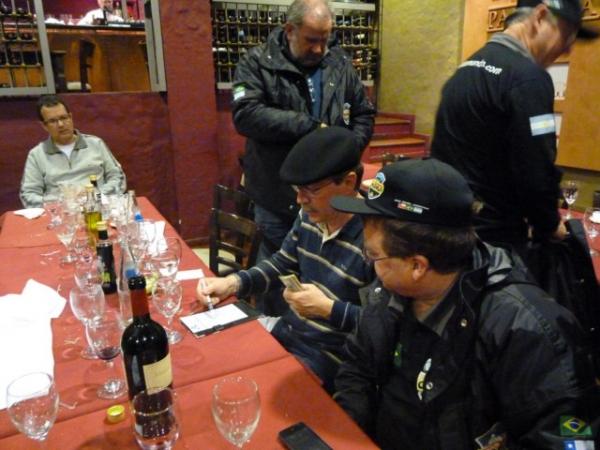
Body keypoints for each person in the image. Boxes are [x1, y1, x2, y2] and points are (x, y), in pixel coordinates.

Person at [330, 158, 600, 449]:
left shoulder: (528, 331)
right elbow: (357, 368)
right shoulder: (390, 292)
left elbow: (570, 440)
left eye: (373, 256)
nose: (370, 264)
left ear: (418, 266)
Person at [197, 127, 373, 393]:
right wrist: (232, 283)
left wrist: (328, 309)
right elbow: (282, 263)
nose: (300, 200)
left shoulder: (376, 240)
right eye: (297, 189)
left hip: (329, 359)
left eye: (311, 190)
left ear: (349, 183)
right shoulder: (311, 216)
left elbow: (383, 326)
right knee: (215, 363)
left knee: (249, 396)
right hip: (288, 331)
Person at [430, 0, 598, 254]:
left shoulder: (464, 70)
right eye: (566, 36)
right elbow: (535, 169)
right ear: (540, 16)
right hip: (495, 241)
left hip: (449, 227)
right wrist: (549, 224)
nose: (567, 49)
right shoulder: (528, 78)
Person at [231, 0, 375, 273]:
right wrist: (310, 127)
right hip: (277, 194)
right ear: (289, 30)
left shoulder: (339, 62)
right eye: (311, 40)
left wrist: (346, 150)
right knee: (277, 274)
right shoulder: (256, 62)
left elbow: (363, 114)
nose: (319, 49)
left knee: (326, 276)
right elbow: (245, 115)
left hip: (330, 198)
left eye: (325, 39)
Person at [20, 95, 126, 208]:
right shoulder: (37, 155)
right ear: (44, 126)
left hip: (98, 207)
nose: (61, 124)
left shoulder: (95, 144)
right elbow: (28, 195)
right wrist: (62, 202)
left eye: (63, 118)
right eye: (53, 121)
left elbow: (117, 178)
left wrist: (95, 195)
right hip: (61, 212)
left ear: (70, 117)